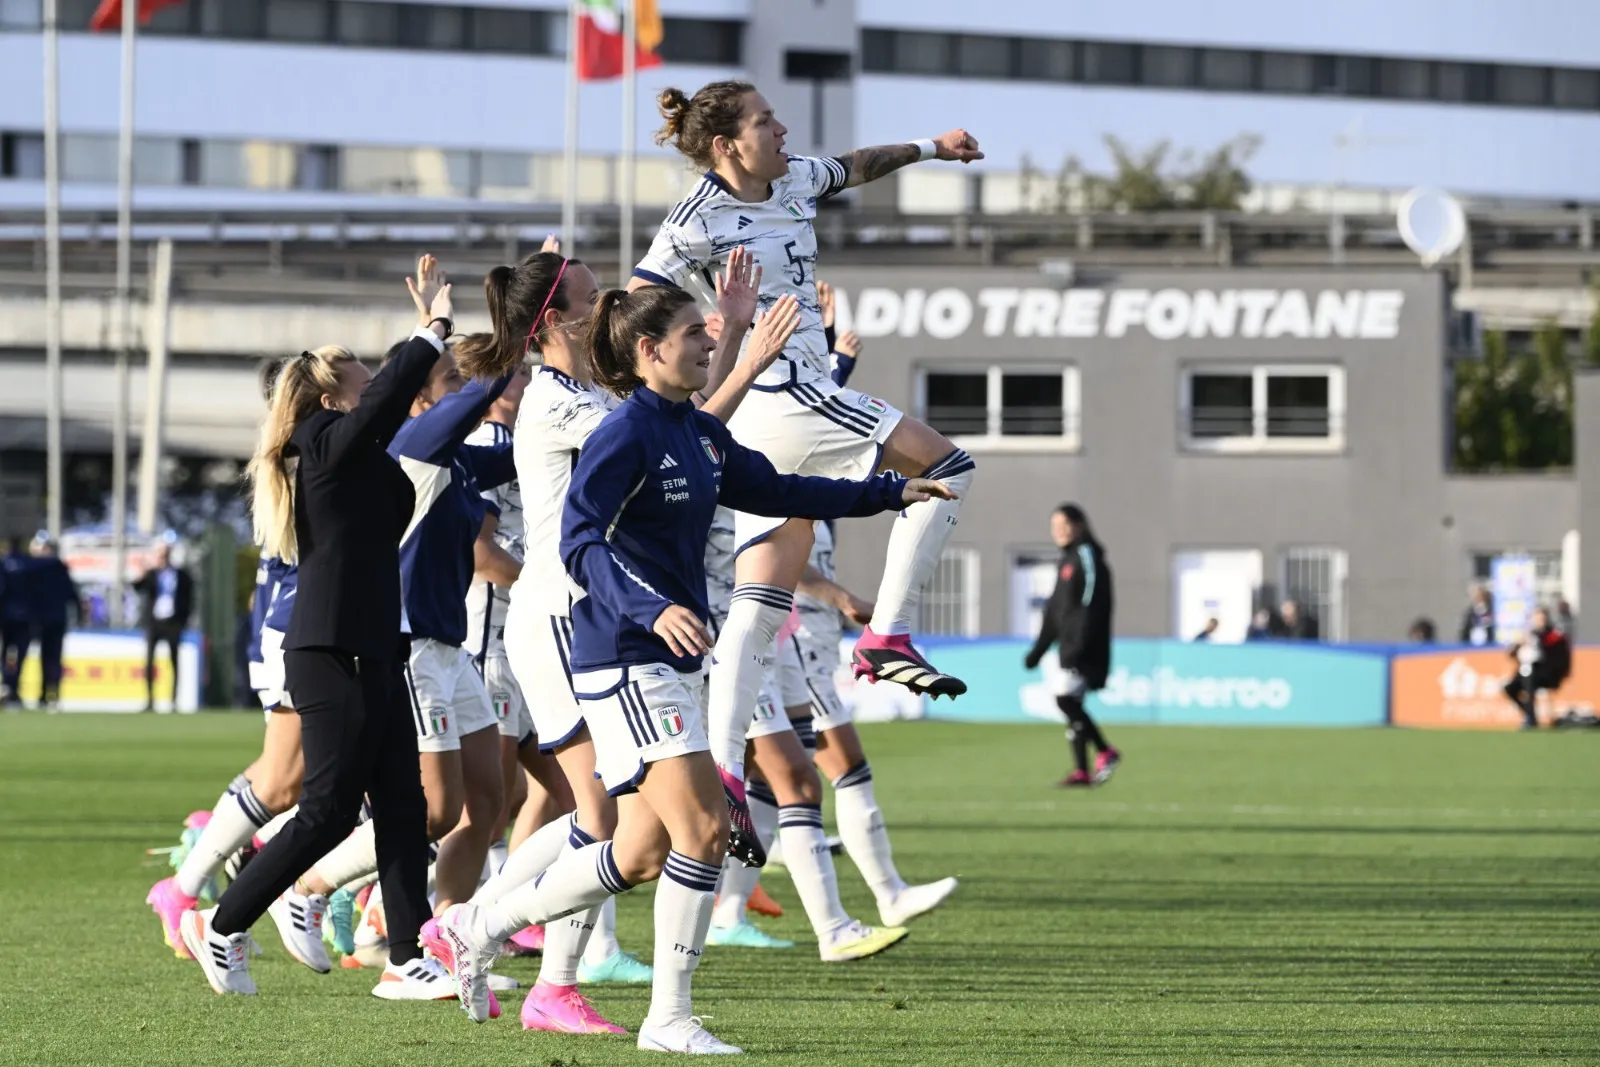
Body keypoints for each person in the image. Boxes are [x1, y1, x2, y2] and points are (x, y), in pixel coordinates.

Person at [436, 283, 955, 1055]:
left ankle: (480, 925)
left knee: (639, 850)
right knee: (706, 829)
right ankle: (668, 1017)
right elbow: (582, 542)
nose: (708, 344)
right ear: (650, 351)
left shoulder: (695, 433)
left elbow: (780, 489)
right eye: (692, 335)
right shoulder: (625, 434)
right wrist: (651, 609)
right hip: (624, 658)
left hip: (672, 661)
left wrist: (890, 490)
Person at [441, 243, 784, 1033]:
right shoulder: (563, 404)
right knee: (607, 822)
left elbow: (686, 432)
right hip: (572, 618)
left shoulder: (585, 387)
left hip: (592, 615)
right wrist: (741, 351)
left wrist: (726, 333)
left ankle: (507, 944)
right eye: (594, 297)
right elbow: (688, 432)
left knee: (630, 837)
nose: (609, 306)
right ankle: (505, 942)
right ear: (552, 322)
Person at [628, 80, 983, 840]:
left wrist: (932, 148)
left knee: (766, 592)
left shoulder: (790, 178)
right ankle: (888, 632)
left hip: (768, 414)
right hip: (783, 392)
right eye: (765, 120)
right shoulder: (695, 218)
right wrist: (706, 341)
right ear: (727, 144)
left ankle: (724, 762)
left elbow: (856, 164)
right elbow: (635, 303)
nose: (781, 128)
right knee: (949, 468)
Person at [178, 255, 452, 1000]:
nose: (380, 386)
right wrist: (428, 330)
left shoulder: (360, 455)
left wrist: (432, 346)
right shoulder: (319, 445)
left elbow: (396, 410)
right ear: (333, 397)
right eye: (364, 379)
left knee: (405, 805)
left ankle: (407, 955)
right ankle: (223, 923)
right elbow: (388, 402)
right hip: (329, 651)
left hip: (375, 646)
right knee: (329, 808)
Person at [148, 358, 312, 964]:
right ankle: (204, 888)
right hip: (296, 627)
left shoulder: (285, 452)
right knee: (287, 779)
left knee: (304, 776)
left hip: (289, 623)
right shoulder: (296, 455)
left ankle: (214, 866)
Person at [1024, 504, 1120, 788]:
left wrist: (1080, 643)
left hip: (1083, 647)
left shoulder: (1086, 555)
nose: (1059, 531)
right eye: (1054, 526)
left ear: (1079, 524)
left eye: (1064, 524)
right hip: (1069, 646)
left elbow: (1091, 605)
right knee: (1071, 702)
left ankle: (1105, 750)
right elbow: (1055, 611)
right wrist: (1039, 649)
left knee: (1065, 700)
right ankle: (1081, 770)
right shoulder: (1066, 560)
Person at [134, 542, 195, 711]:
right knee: (149, 662)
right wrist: (142, 573)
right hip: (154, 622)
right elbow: (138, 588)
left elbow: (189, 598)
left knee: (174, 661)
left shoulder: (181, 575)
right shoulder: (152, 574)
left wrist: (184, 620)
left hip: (173, 623)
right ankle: (149, 701)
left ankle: (173, 700)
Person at [25, 534, 80, 710]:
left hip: (39, 618)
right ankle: (52, 692)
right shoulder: (59, 567)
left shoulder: (33, 567)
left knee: (42, 657)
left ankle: (43, 694)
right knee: (53, 658)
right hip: (56, 617)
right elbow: (71, 593)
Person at [1503, 607, 1571, 730]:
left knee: (1529, 680)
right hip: (1527, 671)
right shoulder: (1529, 634)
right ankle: (1530, 714)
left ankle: (1531, 719)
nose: (1540, 621)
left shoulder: (1552, 634)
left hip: (1545, 673)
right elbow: (1511, 654)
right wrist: (1519, 644)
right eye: (1537, 618)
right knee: (1510, 689)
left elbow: (1552, 655)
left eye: (1542, 618)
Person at [1, 538, 35, 707]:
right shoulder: (30, 564)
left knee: (5, 655)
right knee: (20, 655)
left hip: (6, 617)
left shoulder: (3, 564)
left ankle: (7, 687)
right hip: (25, 617)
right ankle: (13, 689)